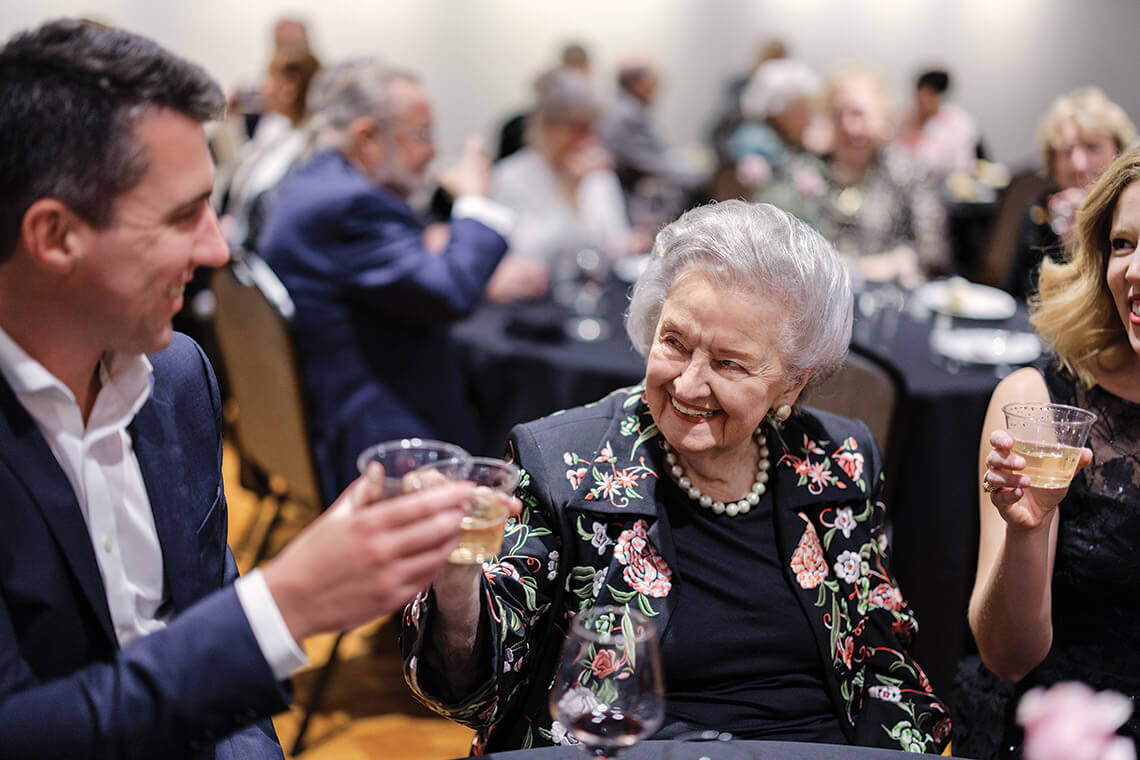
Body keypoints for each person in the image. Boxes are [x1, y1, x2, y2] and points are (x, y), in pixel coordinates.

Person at [0, 19, 476, 758]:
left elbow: (215, 661)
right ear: (55, 235)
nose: (217, 248)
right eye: (183, 216)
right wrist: (285, 603)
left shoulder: (176, 378)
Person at [401, 201, 951, 754]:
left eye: (730, 364)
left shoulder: (841, 459)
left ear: (791, 386)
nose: (688, 386)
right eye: (675, 343)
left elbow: (885, 658)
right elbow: (466, 691)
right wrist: (455, 582)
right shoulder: (564, 462)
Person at [957, 146, 1140, 758]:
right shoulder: (1040, 407)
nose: (1135, 271)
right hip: (1061, 735)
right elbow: (1007, 658)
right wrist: (1027, 532)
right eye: (1123, 245)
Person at [258, 59, 512, 500]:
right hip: (383, 433)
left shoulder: (315, 181)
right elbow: (450, 293)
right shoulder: (351, 204)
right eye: (422, 135)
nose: (433, 151)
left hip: (330, 403)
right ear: (367, 137)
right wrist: (476, 203)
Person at [488, 68, 633, 301]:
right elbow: (527, 258)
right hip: (535, 303)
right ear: (543, 125)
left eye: (591, 128)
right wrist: (567, 191)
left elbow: (616, 247)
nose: (588, 139)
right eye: (576, 128)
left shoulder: (597, 174)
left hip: (594, 296)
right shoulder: (509, 176)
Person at [817, 67, 950, 286]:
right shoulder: (809, 171)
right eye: (838, 114)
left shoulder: (909, 173)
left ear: (884, 118)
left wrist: (906, 262)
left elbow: (933, 253)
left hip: (891, 304)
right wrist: (869, 268)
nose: (849, 126)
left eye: (859, 114)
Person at [1007, 87, 1135, 299]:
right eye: (1066, 152)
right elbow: (1024, 294)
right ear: (1052, 162)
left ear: (1119, 153)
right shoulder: (1041, 209)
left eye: (1092, 148)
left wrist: (1085, 240)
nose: (1078, 164)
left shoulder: (1130, 214)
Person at [218, 45, 320, 252]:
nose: (263, 89)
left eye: (270, 78)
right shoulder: (276, 127)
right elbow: (236, 168)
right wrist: (228, 121)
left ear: (291, 87)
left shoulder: (311, 147)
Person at [727, 58, 828, 227]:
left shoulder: (794, 145)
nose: (808, 118)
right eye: (801, 110)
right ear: (778, 111)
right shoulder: (754, 142)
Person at [600, 56, 706, 215]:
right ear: (637, 84)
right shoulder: (628, 116)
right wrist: (700, 176)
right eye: (653, 81)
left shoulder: (623, 109)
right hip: (632, 201)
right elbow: (652, 162)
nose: (657, 88)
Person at [895, 68, 982, 180]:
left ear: (938, 97)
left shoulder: (957, 124)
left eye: (927, 97)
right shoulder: (904, 120)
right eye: (919, 98)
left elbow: (962, 166)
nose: (921, 104)